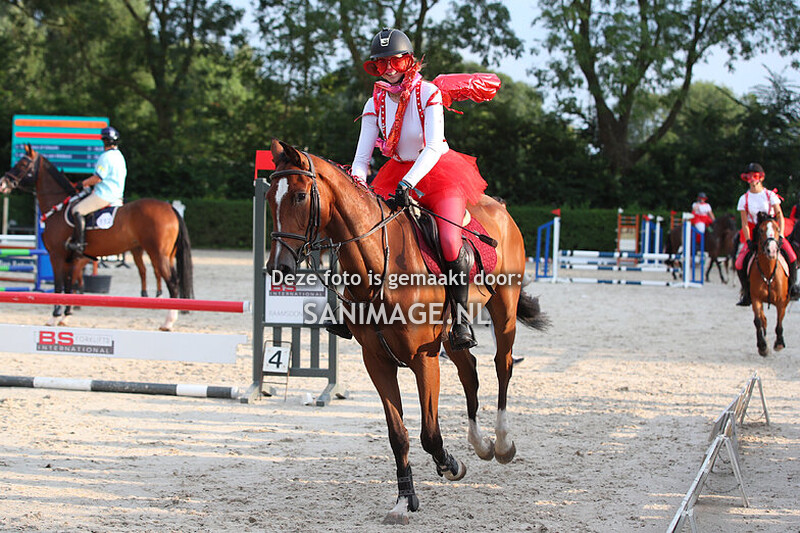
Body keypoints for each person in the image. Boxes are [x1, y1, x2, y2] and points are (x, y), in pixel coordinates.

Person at [351, 28, 488, 350]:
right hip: (395, 172)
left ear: (408, 61)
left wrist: (408, 183)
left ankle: (461, 319)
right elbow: (361, 157)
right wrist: (357, 185)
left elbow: (434, 146)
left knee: (450, 241)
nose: (388, 69)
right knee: (355, 228)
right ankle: (351, 308)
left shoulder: (429, 94)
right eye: (381, 63)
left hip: (438, 170)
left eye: (394, 61)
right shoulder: (374, 103)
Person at [734, 162, 800, 306]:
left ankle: (792, 287)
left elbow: (779, 215)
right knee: (739, 263)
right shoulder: (743, 199)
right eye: (749, 177)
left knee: (792, 256)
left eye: (755, 176)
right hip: (754, 232)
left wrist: (781, 236)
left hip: (772, 230)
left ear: (761, 178)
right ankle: (747, 292)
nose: (752, 179)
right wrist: (748, 240)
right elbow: (744, 222)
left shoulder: (770, 195)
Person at [66, 126, 127, 255]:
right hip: (118, 195)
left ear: (104, 141)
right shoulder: (120, 156)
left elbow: (98, 178)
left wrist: (81, 184)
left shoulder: (106, 157)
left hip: (104, 195)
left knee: (77, 210)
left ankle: (79, 244)